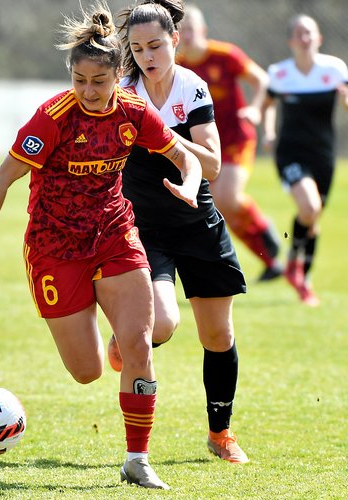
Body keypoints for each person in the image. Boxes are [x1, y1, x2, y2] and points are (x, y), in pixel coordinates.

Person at [0, 3, 202, 490]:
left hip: (114, 235)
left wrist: (189, 182)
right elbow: (3, 180)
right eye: (80, 80)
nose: (88, 91)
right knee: (86, 372)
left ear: (117, 75)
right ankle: (116, 344)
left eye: (98, 81)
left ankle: (137, 459)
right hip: (54, 246)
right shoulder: (52, 118)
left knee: (142, 344)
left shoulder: (133, 111)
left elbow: (183, 155)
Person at [106, 0, 249, 464]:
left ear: (175, 42)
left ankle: (220, 433)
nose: (147, 55)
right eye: (138, 47)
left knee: (218, 335)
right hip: (146, 227)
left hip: (198, 223)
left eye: (155, 46)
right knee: (163, 322)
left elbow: (211, 165)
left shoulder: (193, 88)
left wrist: (164, 136)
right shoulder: (122, 92)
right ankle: (127, 339)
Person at [175, 4, 284, 282]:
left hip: (237, 139)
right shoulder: (178, 66)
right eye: (182, 30)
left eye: (191, 30)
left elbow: (262, 79)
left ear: (203, 31)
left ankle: (263, 228)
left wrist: (256, 109)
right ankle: (268, 256)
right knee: (221, 205)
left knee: (228, 198)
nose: (187, 36)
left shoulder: (225, 55)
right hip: (207, 145)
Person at [262, 14, 348, 306]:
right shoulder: (280, 73)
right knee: (310, 207)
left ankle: (302, 278)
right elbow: (268, 104)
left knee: (313, 216)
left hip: (323, 154)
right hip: (290, 152)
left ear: (318, 38)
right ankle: (296, 266)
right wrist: (269, 132)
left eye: (310, 33)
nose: (305, 38)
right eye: (299, 33)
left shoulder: (334, 69)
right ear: (291, 41)